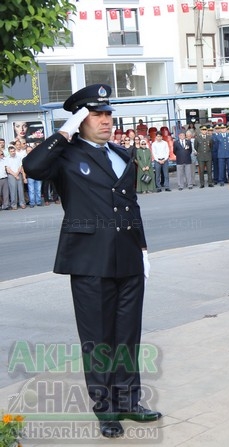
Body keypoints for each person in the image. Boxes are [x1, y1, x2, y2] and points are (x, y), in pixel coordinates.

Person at [22, 84, 161, 438]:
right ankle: (106, 409)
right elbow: (32, 167)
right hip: (89, 260)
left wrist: (143, 249)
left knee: (128, 336)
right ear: (81, 118)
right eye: (95, 114)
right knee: (98, 339)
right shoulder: (65, 156)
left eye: (108, 114)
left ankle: (130, 401)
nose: (105, 121)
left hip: (128, 256)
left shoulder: (120, 153)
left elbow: (131, 206)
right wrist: (64, 132)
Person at [5, 145, 26, 209]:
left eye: (13, 151)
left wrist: (17, 174)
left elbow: (20, 166)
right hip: (11, 175)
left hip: (18, 174)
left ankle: (22, 203)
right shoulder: (6, 158)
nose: (13, 152)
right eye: (11, 151)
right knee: (13, 190)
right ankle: (14, 205)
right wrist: (14, 175)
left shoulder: (18, 157)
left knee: (20, 190)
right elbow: (7, 169)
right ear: (9, 152)